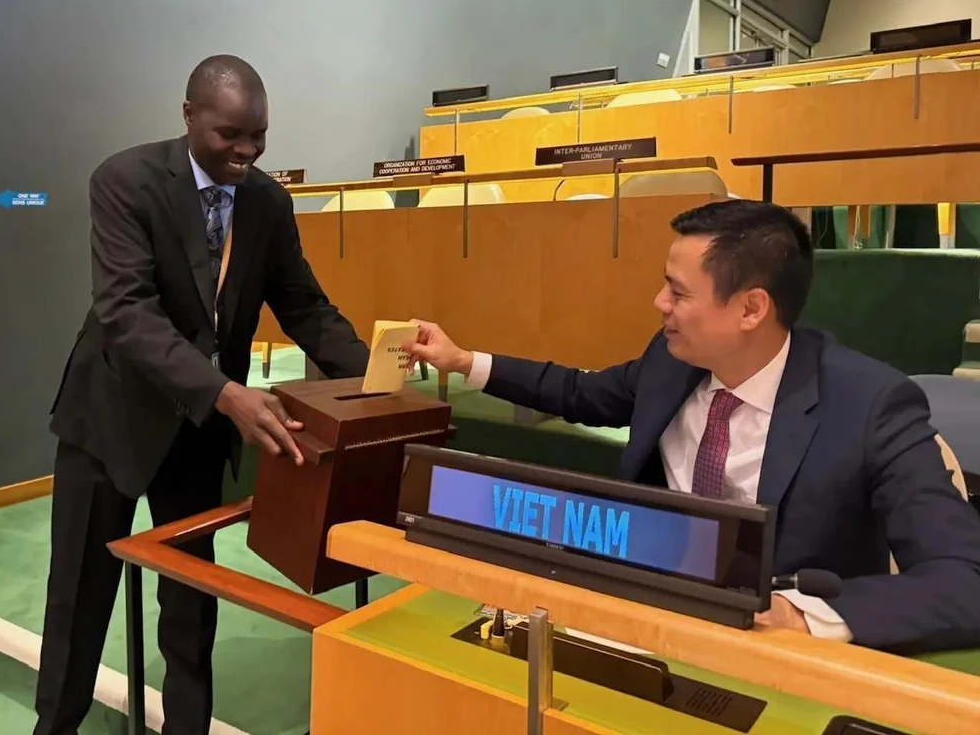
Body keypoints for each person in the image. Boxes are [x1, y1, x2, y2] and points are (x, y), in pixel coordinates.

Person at [404, 199, 980, 656]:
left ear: (751, 309)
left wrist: (803, 617)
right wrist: (466, 362)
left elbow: (964, 580)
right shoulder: (670, 360)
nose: (659, 303)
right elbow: (580, 393)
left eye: (678, 293)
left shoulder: (871, 405)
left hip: (773, 656)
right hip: (651, 620)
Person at [35, 55, 369, 735]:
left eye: (259, 136)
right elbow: (127, 313)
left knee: (190, 600)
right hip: (110, 420)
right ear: (188, 117)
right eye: (229, 136)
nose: (246, 151)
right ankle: (57, 727)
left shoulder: (268, 204)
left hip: (196, 431)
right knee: (80, 594)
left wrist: (375, 382)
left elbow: (306, 309)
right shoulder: (124, 181)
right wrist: (226, 394)